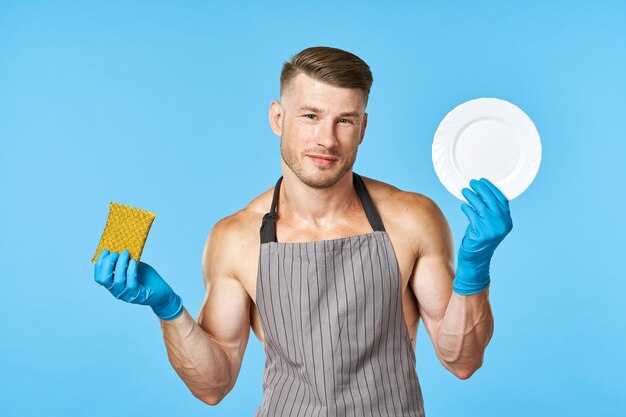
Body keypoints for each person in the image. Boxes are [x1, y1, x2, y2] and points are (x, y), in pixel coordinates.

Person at [93, 46, 513, 417]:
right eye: (310, 116)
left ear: (363, 128)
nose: (326, 139)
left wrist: (475, 266)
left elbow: (462, 360)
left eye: (344, 121)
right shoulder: (236, 237)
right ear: (278, 118)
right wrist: (168, 309)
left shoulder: (412, 218)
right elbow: (213, 386)